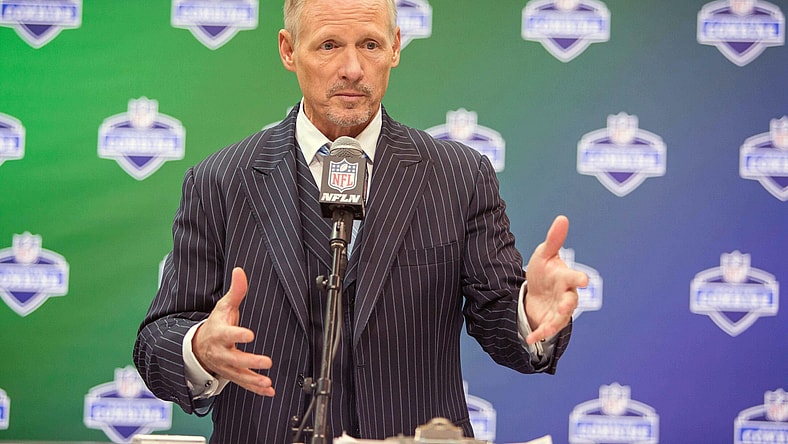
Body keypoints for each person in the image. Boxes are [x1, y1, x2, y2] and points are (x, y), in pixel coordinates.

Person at [133, 0, 588, 442]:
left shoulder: (459, 175)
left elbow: (499, 321)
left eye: (369, 45)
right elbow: (156, 340)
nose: (352, 68)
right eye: (329, 45)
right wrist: (198, 348)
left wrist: (530, 314)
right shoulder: (220, 181)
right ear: (288, 50)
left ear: (394, 46)